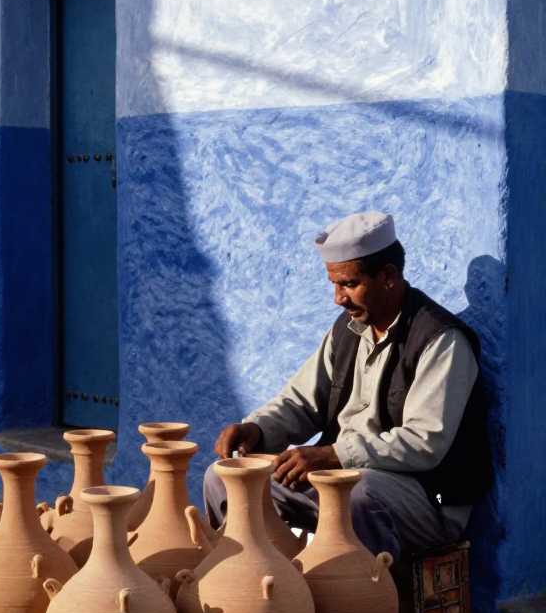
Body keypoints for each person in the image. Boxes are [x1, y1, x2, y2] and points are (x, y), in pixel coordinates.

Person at [205, 211, 493, 560]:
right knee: (226, 480)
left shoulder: (441, 340)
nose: (339, 299)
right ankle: (260, 591)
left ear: (388, 276)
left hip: (431, 498)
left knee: (357, 493)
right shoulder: (347, 330)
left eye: (349, 284)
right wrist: (257, 428)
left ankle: (369, 606)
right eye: (335, 285)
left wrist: (333, 455)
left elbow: (424, 443)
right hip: (341, 478)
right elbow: (300, 401)